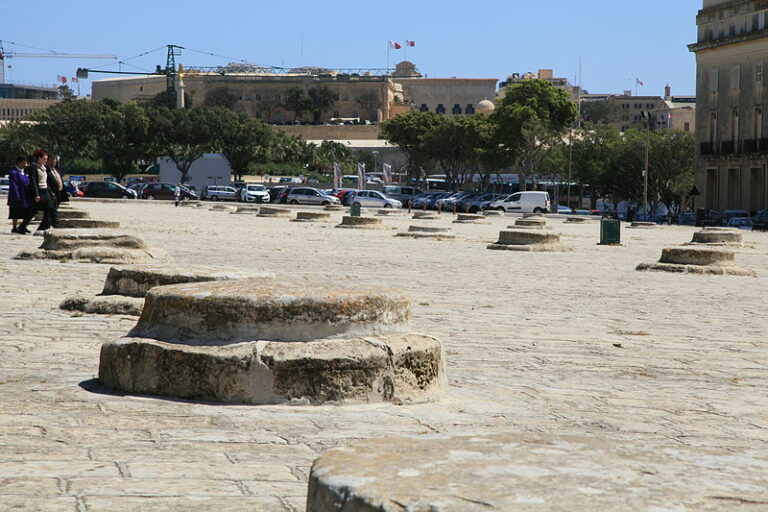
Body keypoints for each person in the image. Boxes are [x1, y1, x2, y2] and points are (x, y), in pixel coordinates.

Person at [28, 149, 56, 231]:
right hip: (40, 191)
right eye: (44, 159)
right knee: (46, 208)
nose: (46, 161)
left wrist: (50, 192)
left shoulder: (44, 168)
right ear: (39, 158)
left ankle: (46, 226)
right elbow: (33, 181)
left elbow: (45, 182)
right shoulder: (34, 167)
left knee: (49, 208)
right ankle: (55, 225)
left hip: (45, 190)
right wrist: (36, 194)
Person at [7, 156, 31, 234]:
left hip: (24, 194)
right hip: (17, 195)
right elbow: (14, 184)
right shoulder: (14, 172)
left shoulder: (24, 173)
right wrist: (16, 195)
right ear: (19, 163)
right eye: (24, 163)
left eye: (26, 163)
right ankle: (14, 227)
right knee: (15, 211)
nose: (25, 165)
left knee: (25, 211)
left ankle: (23, 226)